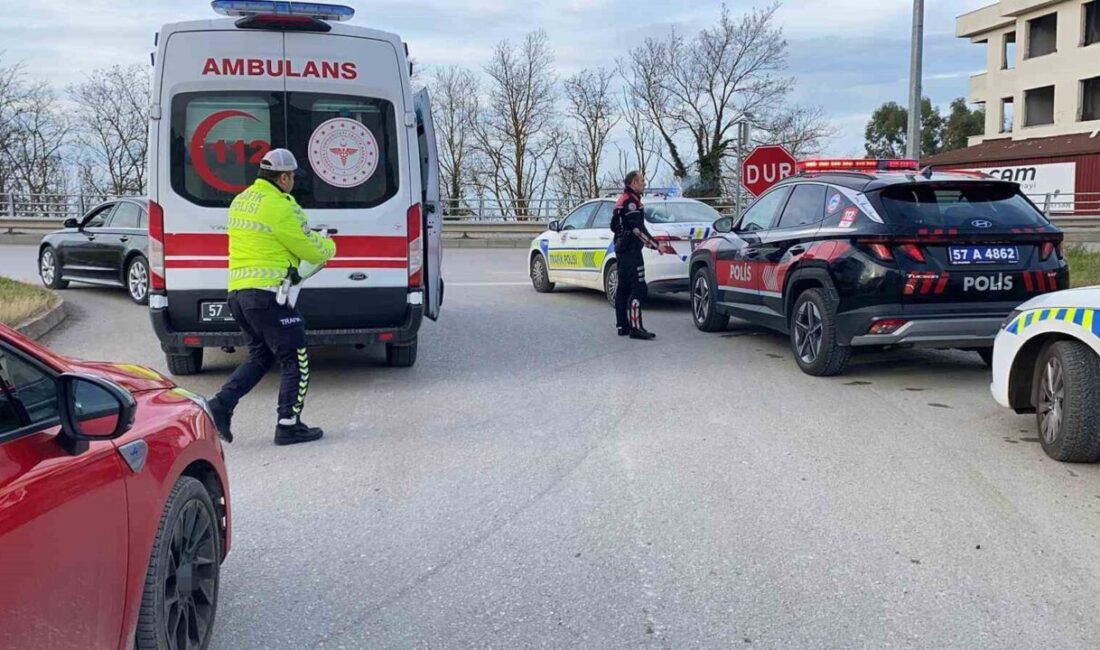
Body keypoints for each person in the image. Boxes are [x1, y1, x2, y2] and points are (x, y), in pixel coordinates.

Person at [206, 149, 336, 446]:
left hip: (238, 295)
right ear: (284, 176)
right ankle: (288, 425)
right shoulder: (280, 206)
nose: (293, 183)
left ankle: (221, 405)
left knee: (261, 356)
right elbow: (310, 249)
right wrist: (329, 246)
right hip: (268, 296)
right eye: (292, 178)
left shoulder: (242, 201)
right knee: (297, 359)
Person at [610, 170, 659, 340]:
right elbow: (637, 229)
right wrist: (655, 245)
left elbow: (615, 225)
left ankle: (622, 325)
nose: (644, 183)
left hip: (622, 249)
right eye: (641, 181)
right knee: (639, 288)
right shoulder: (630, 202)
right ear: (633, 183)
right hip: (630, 250)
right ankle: (636, 328)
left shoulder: (624, 199)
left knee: (623, 287)